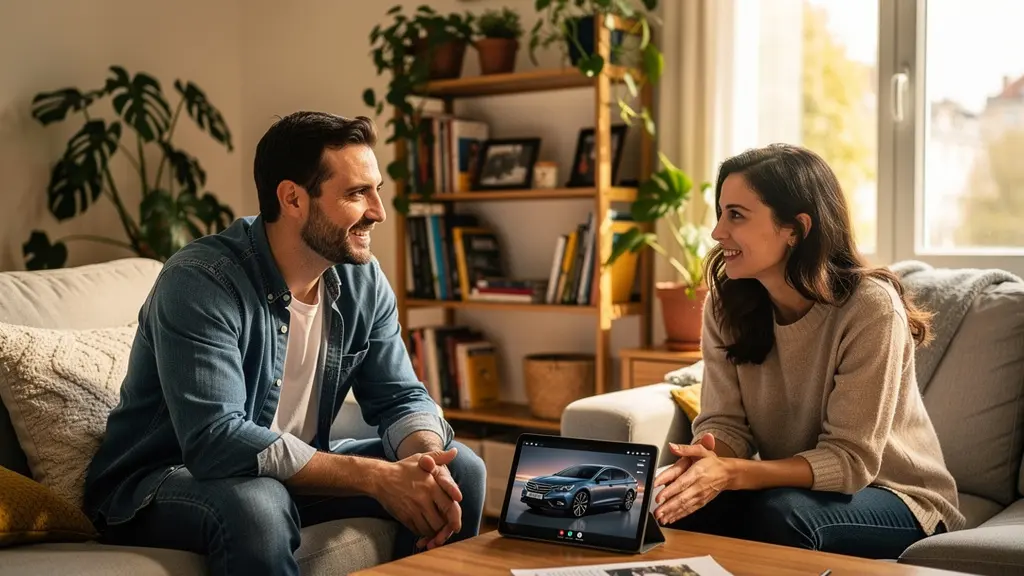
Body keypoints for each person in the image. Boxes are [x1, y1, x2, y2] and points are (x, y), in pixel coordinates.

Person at [83, 111, 486, 575]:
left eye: (377, 190)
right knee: (258, 503)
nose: (378, 210)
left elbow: (401, 397)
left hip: (284, 473)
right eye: (357, 193)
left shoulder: (362, 279)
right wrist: (376, 477)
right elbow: (217, 440)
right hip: (160, 483)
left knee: (461, 474)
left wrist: (424, 462)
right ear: (292, 198)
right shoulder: (201, 281)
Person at [651, 144, 965, 559]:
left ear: (796, 228)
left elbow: (850, 461)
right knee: (666, 507)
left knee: (780, 516)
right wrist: (703, 467)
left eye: (737, 215)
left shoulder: (870, 307)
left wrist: (733, 474)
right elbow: (725, 424)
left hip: (899, 496)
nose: (717, 232)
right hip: (795, 488)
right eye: (721, 213)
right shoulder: (727, 305)